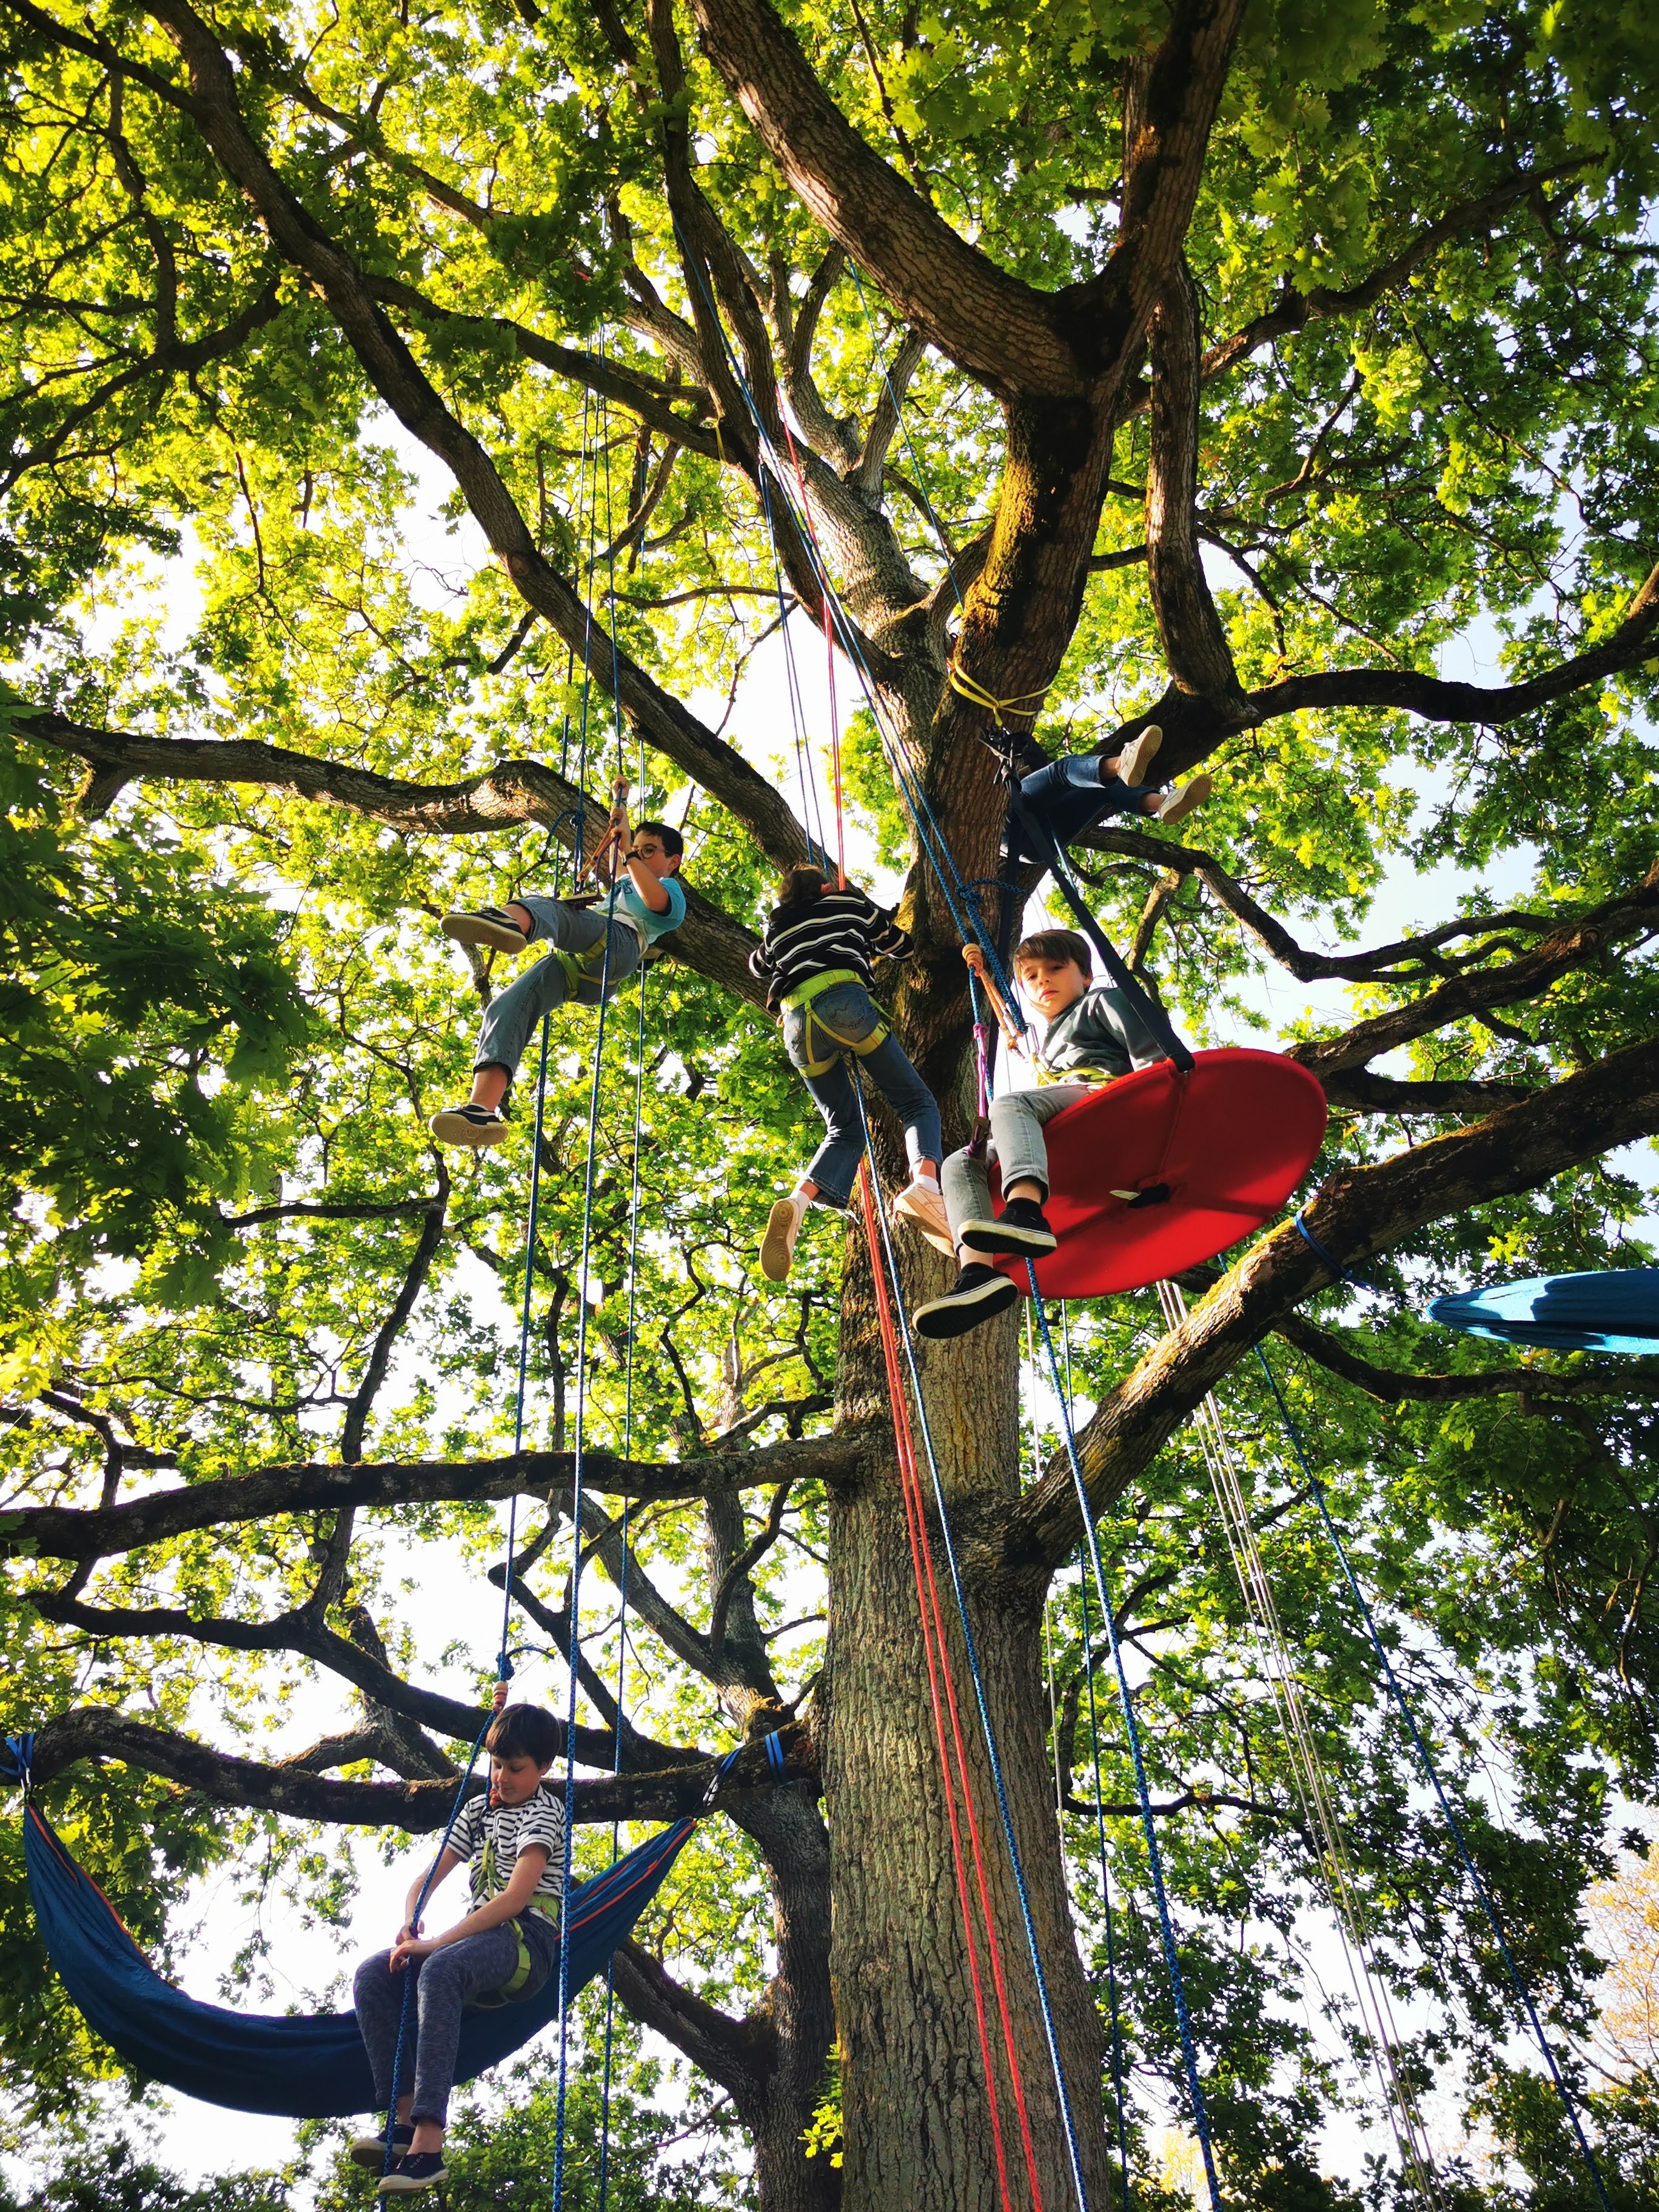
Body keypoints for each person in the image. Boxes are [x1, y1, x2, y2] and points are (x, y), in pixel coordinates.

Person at [912, 929, 1174, 1339]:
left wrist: (1160, 1113)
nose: (1043, 981)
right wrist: (984, 975)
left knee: (1009, 1104)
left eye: (1055, 969)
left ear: (1085, 976)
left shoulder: (1102, 1000)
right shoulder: (1044, 1041)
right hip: (1063, 1121)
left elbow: (1153, 1055)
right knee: (961, 1162)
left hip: (1104, 1097)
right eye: (1031, 977)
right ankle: (978, 1273)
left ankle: (1026, 1212)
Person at [349, 1699, 565, 2196]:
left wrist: (436, 1945)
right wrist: (411, 1920)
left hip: (524, 1944)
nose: (502, 1777)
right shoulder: (478, 1810)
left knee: (438, 1970)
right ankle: (403, 2123)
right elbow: (427, 1878)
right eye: (496, 1764)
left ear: (544, 1769)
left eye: (515, 1769)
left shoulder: (545, 1812)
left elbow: (514, 1900)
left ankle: (430, 2144)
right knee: (372, 1975)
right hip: (474, 1942)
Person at [428, 781, 686, 1148]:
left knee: (553, 910)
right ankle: (481, 1110)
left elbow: (652, 895)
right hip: (579, 972)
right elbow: (620, 850)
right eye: (639, 851)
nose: (639, 857)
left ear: (672, 861)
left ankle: (511, 921)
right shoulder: (627, 877)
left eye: (650, 851)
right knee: (505, 1008)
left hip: (620, 944)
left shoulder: (670, 890)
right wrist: (621, 807)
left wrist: (630, 851)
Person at [749, 863, 948, 1280]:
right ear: (825, 887)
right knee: (915, 1102)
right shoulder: (846, 902)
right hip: (844, 1002)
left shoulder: (778, 927)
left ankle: (798, 1203)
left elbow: (757, 966)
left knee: (843, 1129)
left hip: (796, 1024)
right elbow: (899, 944)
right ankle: (926, 1187)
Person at [1008, 723, 1210, 863]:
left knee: (1100, 789)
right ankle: (1121, 763)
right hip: (1010, 824)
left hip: (1039, 844)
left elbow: (1041, 769)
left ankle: (1163, 803)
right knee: (1062, 769)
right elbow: (1049, 772)